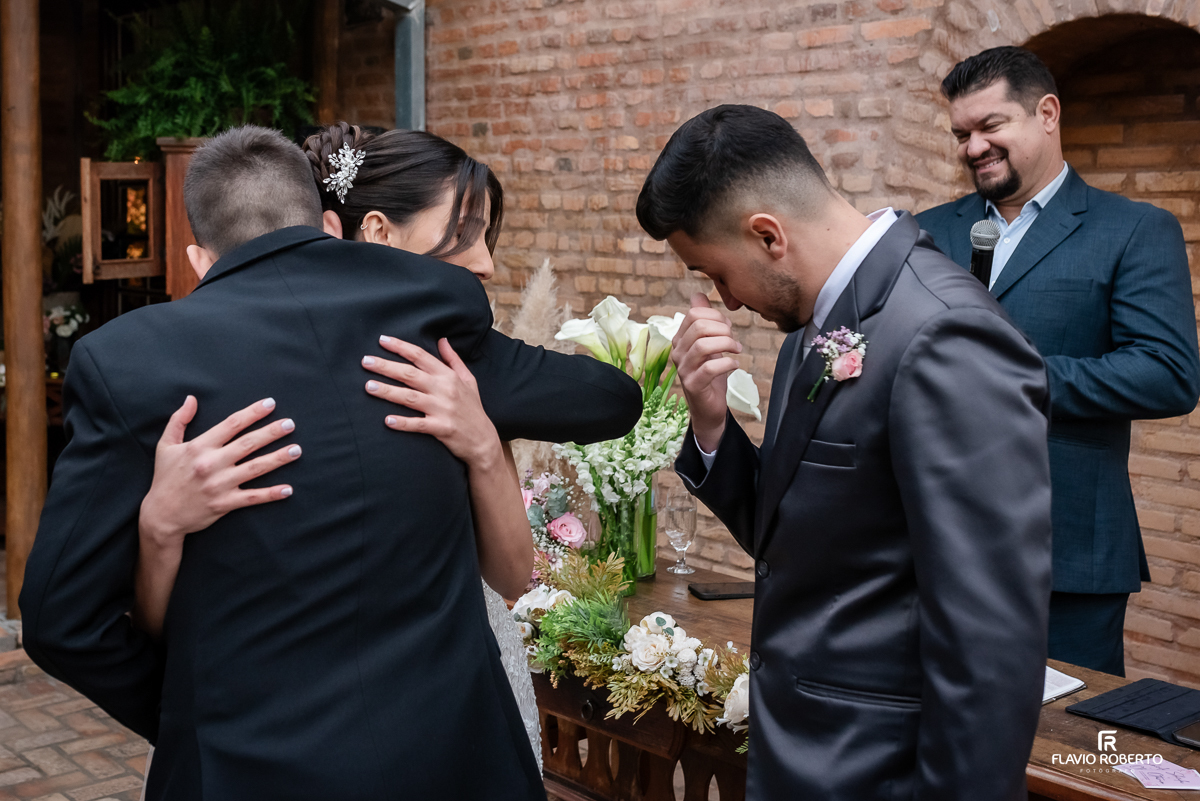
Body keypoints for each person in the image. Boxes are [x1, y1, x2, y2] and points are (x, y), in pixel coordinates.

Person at [20, 125, 642, 801]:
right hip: (453, 759)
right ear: (326, 223)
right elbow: (610, 401)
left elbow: (59, 620)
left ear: (200, 258)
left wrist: (191, 715)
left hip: (246, 769)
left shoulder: (131, 363)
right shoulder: (431, 314)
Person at [639, 104, 1052, 801]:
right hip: (805, 756)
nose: (726, 302)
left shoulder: (946, 334)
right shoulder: (817, 327)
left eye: (715, 272)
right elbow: (799, 539)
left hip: (880, 772)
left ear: (767, 234)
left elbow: (990, 646)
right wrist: (711, 426)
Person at [131, 123, 549, 772]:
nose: (486, 262)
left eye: (487, 237)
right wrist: (158, 528)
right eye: (465, 235)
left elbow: (511, 574)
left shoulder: (455, 375)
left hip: (454, 705)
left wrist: (484, 447)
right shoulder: (235, 387)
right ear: (378, 233)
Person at [916, 47, 1200, 677]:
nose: (973, 147)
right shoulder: (923, 233)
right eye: (962, 134)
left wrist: (1015, 377)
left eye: (991, 127)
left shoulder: (1132, 229)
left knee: (1063, 751)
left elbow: (1168, 374)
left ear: (1047, 113)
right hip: (930, 545)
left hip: (1067, 551)